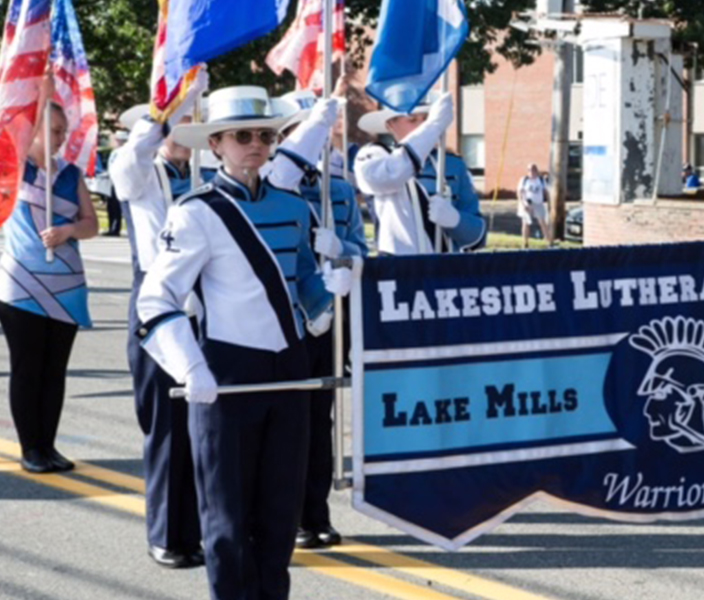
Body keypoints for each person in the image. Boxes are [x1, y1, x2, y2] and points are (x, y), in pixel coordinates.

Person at [135, 86, 349, 600]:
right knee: (228, 522)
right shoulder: (195, 212)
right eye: (242, 136)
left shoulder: (295, 207)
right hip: (226, 376)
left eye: (266, 135)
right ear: (217, 145)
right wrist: (190, 365)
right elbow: (156, 299)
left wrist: (335, 286)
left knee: (278, 516)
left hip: (292, 372)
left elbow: (306, 295)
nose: (256, 144)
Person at [109, 74, 210, 569]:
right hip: (158, 302)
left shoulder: (203, 177)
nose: (182, 129)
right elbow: (130, 164)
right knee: (168, 426)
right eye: (175, 122)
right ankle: (169, 535)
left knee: (206, 425)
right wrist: (172, 105)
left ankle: (205, 527)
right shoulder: (138, 171)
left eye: (190, 119)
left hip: (205, 305)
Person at [272, 86, 368, 550]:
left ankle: (314, 516)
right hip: (279, 321)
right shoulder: (271, 184)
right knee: (282, 424)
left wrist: (343, 254)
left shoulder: (342, 190)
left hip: (329, 319)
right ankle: (277, 515)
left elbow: (361, 252)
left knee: (318, 422)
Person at [0, 80, 98, 474]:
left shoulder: (72, 175)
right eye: (54, 130)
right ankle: (30, 449)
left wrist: (69, 231)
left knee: (55, 370)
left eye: (63, 131)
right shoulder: (11, 168)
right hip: (20, 283)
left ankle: (49, 446)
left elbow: (90, 223)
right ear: (35, 129)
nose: (61, 138)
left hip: (67, 285)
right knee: (28, 367)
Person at [355, 91, 485, 255]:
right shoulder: (374, 157)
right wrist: (434, 125)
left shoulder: (452, 164)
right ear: (390, 125)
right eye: (412, 120)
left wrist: (456, 221)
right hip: (400, 270)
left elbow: (478, 237)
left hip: (448, 271)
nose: (423, 126)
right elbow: (390, 176)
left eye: (426, 119)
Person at [516, 163, 551, 247]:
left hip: (538, 203)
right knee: (525, 223)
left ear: (536, 171)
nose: (531, 172)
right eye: (529, 170)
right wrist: (523, 203)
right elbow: (519, 192)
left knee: (542, 221)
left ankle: (548, 241)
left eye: (533, 170)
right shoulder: (524, 180)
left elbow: (546, 191)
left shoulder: (541, 180)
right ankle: (525, 242)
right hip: (527, 203)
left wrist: (549, 202)